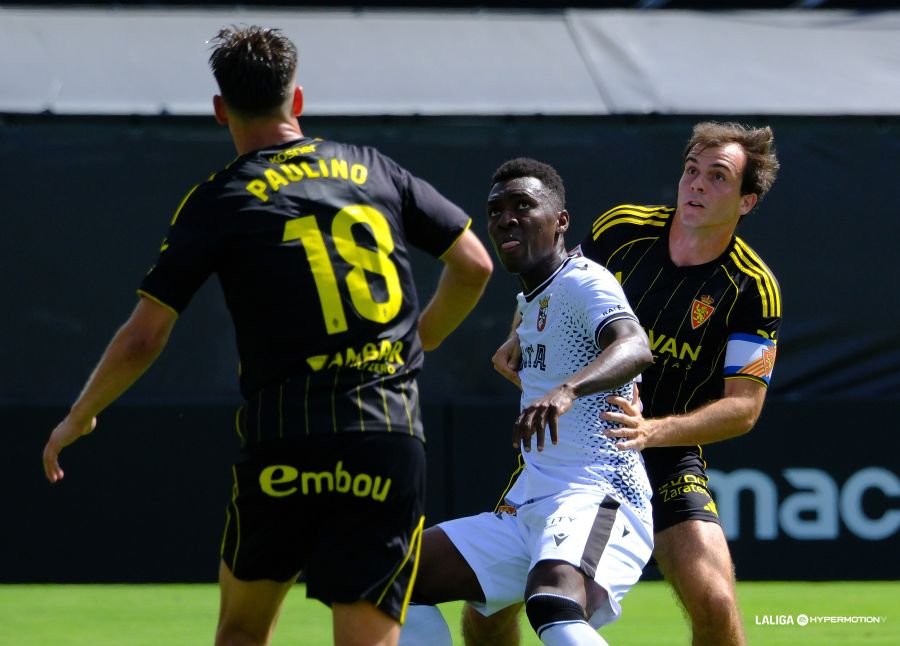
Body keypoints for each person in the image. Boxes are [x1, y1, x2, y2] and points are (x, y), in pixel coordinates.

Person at [41, 25, 493, 646]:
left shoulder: (219, 198)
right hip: (384, 434)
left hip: (286, 439)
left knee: (242, 632)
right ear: (297, 99)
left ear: (220, 109)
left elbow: (144, 338)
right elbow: (474, 264)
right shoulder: (374, 169)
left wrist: (81, 415)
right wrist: (425, 337)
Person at [465, 121, 782, 645]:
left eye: (718, 177)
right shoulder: (622, 229)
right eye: (691, 170)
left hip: (666, 453)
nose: (697, 184)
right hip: (576, 451)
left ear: (746, 202)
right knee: (486, 610)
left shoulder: (752, 287)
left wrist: (650, 431)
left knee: (716, 603)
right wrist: (519, 332)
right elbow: (555, 282)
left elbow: (744, 409)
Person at [399, 158, 655, 646]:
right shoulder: (533, 299)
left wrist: (566, 390)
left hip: (599, 493)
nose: (505, 219)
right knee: (391, 575)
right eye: (495, 211)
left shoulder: (584, 279)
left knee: (552, 605)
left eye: (523, 206)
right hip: (530, 504)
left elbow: (635, 346)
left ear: (561, 221)